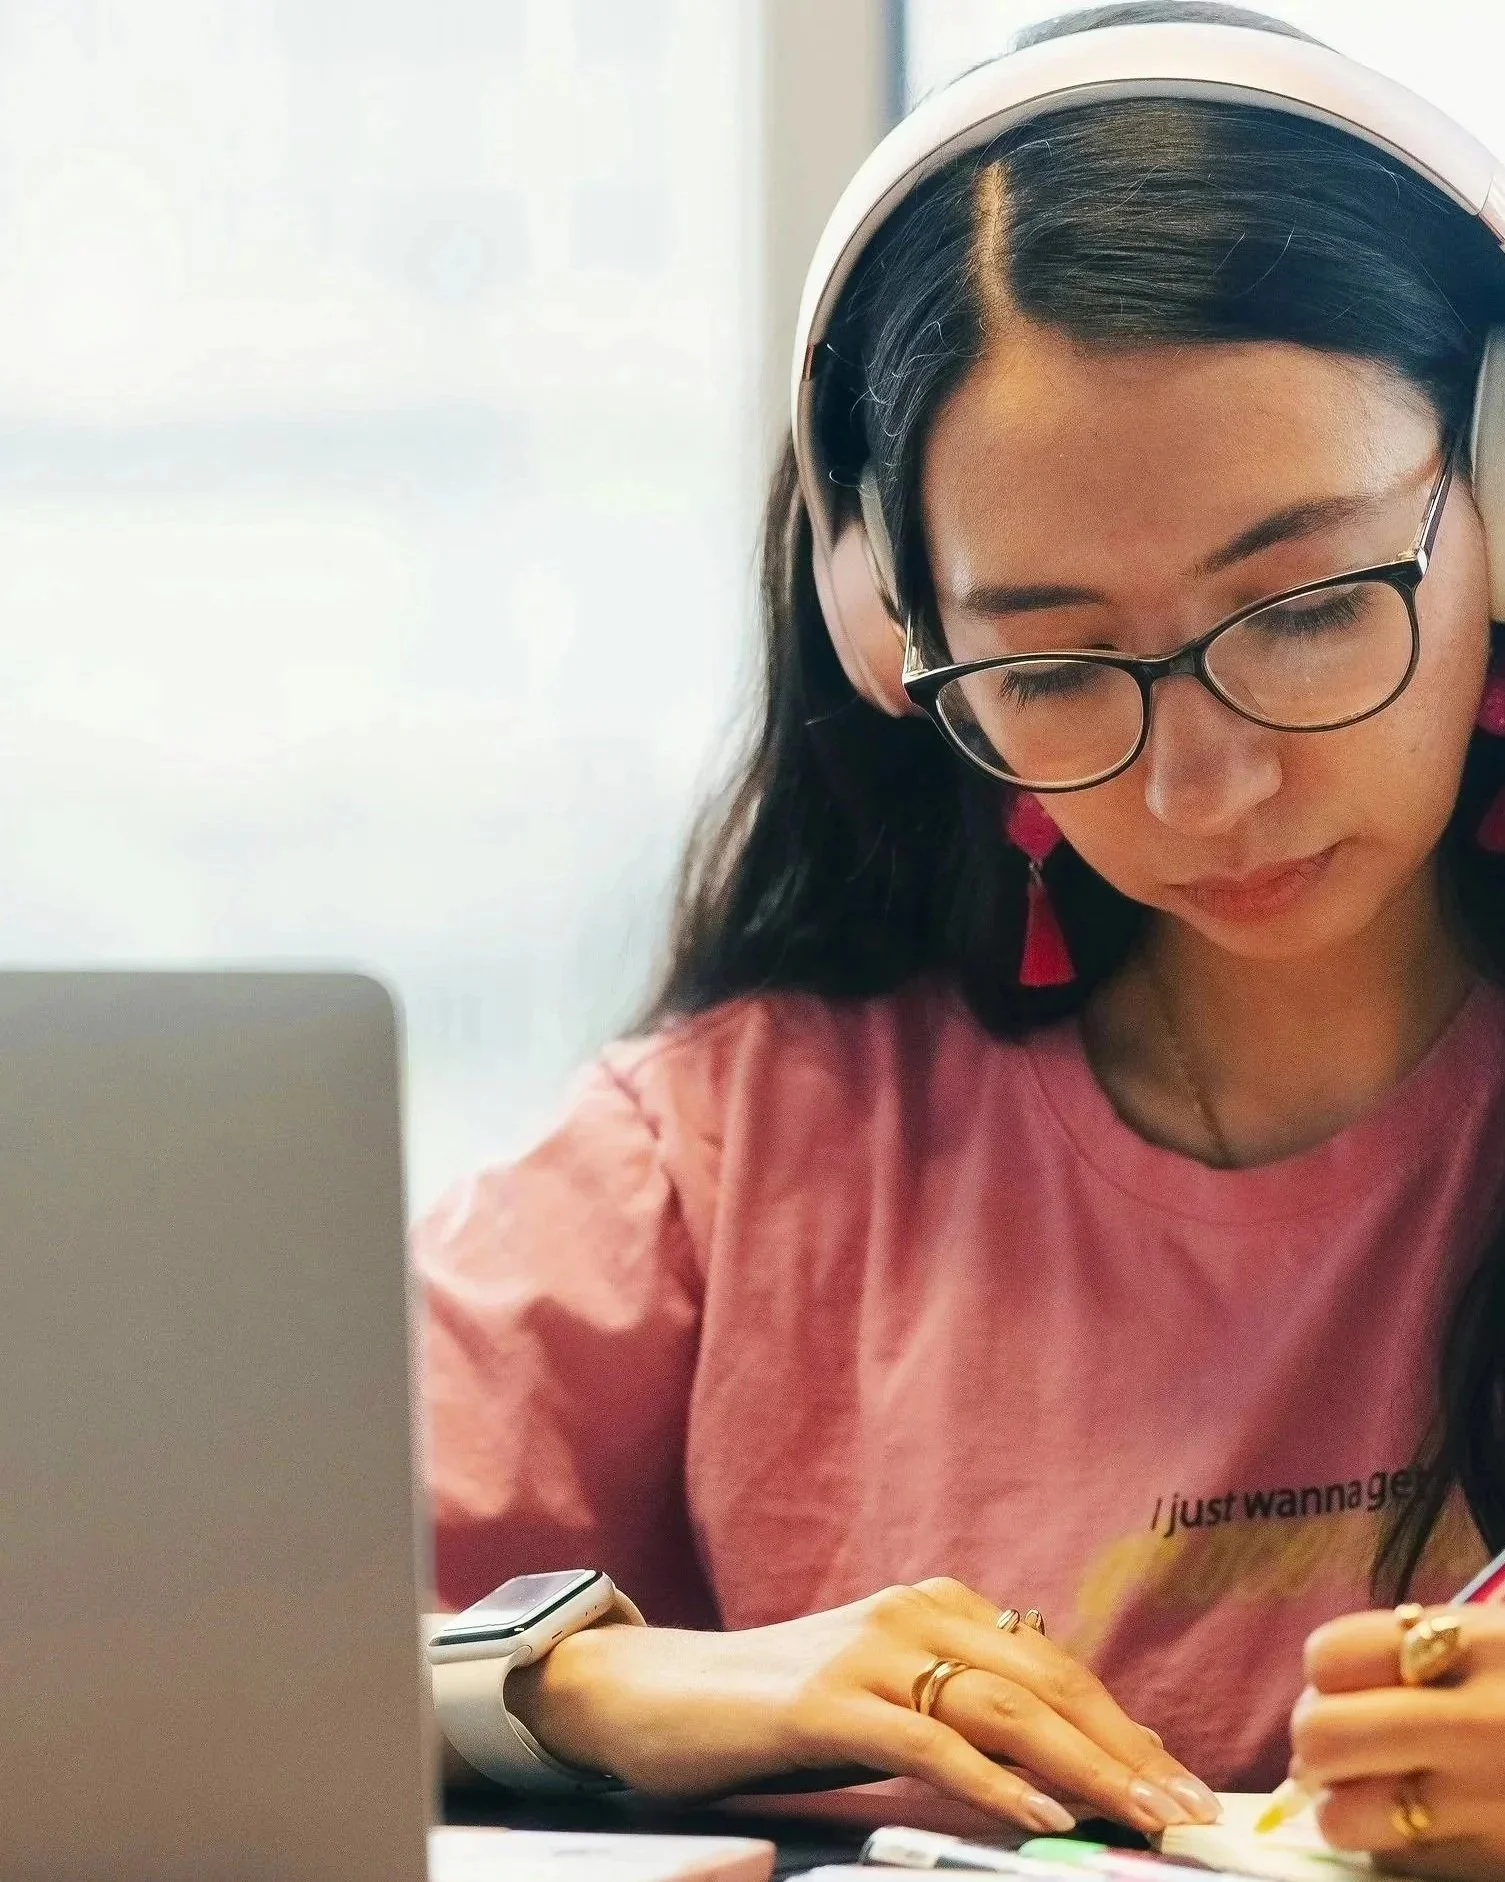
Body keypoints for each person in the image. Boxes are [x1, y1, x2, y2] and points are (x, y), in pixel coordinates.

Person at [415, 2, 1505, 1870]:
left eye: (1312, 603)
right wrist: (594, 1685)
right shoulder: (732, 1155)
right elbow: (142, 1623)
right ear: (892, 639)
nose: (1207, 781)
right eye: (1058, 664)